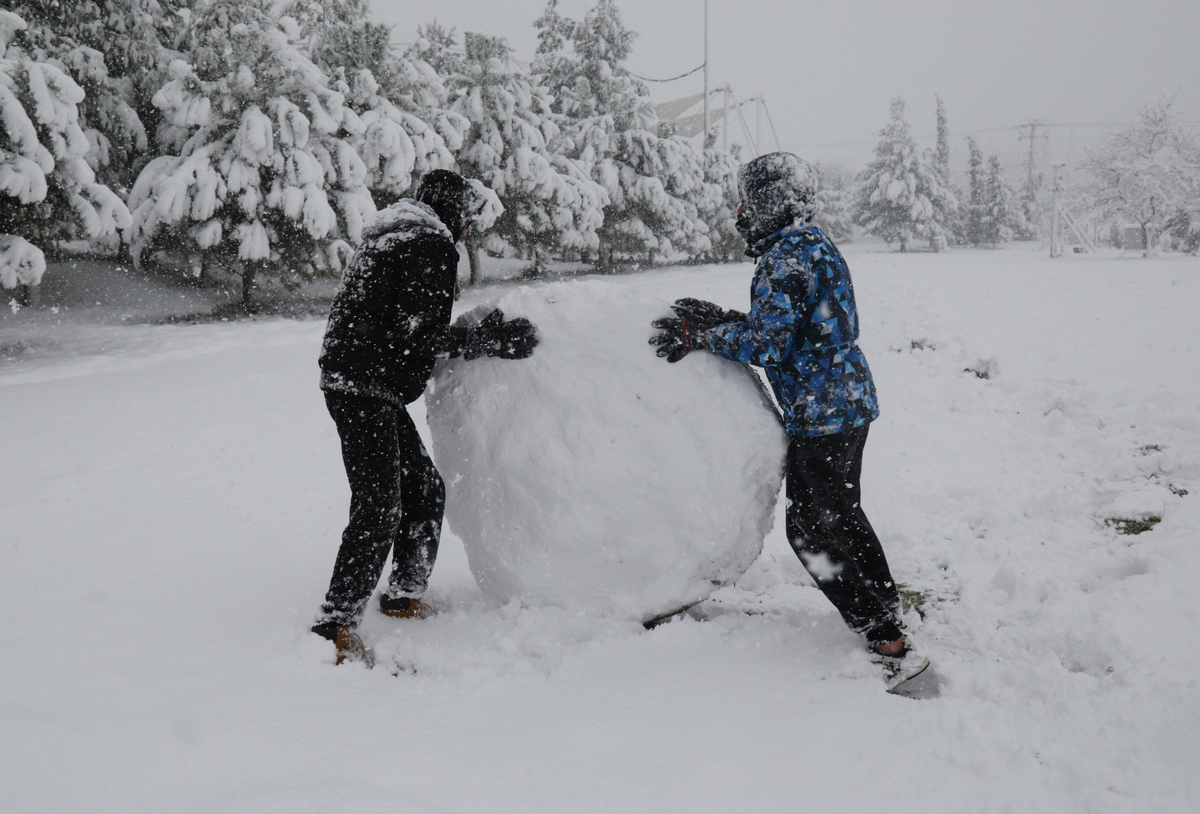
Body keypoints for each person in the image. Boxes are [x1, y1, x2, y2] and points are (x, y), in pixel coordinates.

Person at [649, 152, 929, 692]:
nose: (739, 213)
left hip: (821, 412)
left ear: (768, 203)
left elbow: (770, 345)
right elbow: (800, 327)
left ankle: (887, 638)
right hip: (849, 398)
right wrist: (730, 319)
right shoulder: (813, 243)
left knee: (808, 532)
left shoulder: (782, 258)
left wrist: (700, 337)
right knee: (843, 512)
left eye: (745, 202)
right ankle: (887, 602)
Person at [312, 169, 538, 665]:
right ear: (453, 213)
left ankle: (403, 595)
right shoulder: (429, 245)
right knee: (380, 503)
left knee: (424, 490)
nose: (466, 229)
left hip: (362, 382)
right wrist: (483, 342)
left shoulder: (393, 238)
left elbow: (399, 325)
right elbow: (413, 333)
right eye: (466, 218)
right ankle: (335, 623)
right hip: (364, 385)